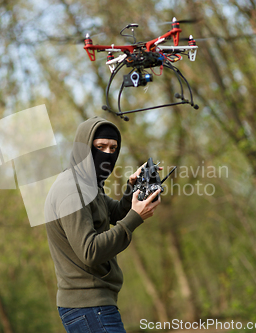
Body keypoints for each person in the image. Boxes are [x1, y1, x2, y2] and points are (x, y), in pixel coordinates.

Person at [45, 116, 161, 333]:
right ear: (84, 148)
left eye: (113, 148)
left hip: (94, 304)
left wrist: (132, 189)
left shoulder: (89, 186)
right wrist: (135, 218)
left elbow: (115, 213)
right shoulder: (71, 190)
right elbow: (90, 251)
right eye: (100, 147)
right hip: (88, 306)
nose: (107, 153)